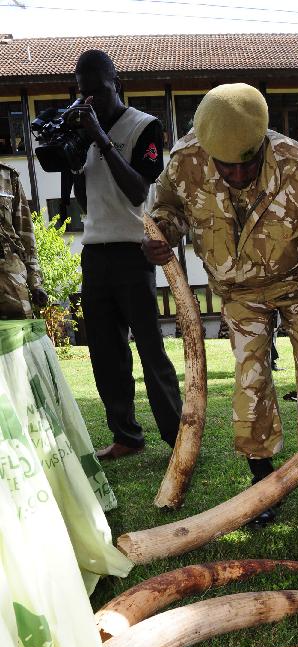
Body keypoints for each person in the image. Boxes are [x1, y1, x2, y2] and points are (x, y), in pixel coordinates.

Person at [144, 83, 298, 531]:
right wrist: (161, 233)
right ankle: (261, 491)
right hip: (239, 292)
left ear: (262, 141)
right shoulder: (184, 163)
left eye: (247, 164)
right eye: (226, 168)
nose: (238, 176)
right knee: (250, 381)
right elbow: (168, 209)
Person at [67, 49, 181, 461]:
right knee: (105, 352)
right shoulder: (79, 131)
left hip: (134, 253)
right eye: (82, 93)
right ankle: (126, 436)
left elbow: (138, 191)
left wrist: (99, 136)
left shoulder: (144, 126)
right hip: (95, 252)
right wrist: (77, 143)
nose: (89, 100)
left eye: (96, 91)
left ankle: (177, 436)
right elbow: (82, 196)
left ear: (118, 84)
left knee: (151, 349)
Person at [0, 163, 47, 319]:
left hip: (10, 282)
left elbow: (25, 233)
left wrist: (35, 283)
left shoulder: (7, 176)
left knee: (21, 339)